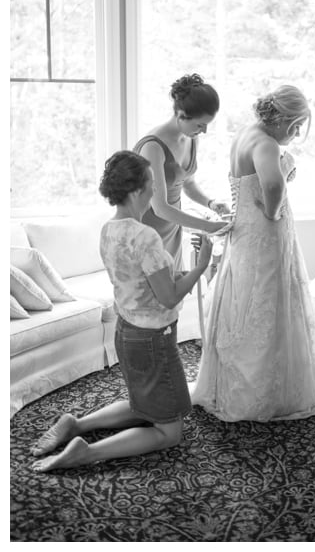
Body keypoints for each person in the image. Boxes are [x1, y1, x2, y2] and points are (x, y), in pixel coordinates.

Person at [30, 151, 212, 471]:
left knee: (144, 405)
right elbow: (167, 298)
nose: (155, 191)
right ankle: (87, 452)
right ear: (136, 190)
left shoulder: (108, 230)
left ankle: (76, 423)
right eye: (151, 184)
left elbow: (144, 284)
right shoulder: (145, 236)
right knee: (169, 432)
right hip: (153, 338)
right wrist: (201, 267)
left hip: (126, 332)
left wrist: (183, 272)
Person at [190, 85, 315, 421]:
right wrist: (273, 211)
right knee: (268, 301)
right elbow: (272, 185)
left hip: (243, 231)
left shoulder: (246, 134)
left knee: (243, 300)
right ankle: (264, 393)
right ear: (285, 119)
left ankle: (234, 381)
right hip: (264, 232)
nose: (297, 132)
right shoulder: (266, 142)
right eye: (297, 125)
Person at [133, 74, 230, 265]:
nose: (204, 131)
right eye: (200, 124)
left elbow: (188, 184)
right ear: (180, 115)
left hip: (172, 226)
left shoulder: (191, 137)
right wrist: (208, 227)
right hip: (148, 230)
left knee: (174, 289)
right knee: (153, 291)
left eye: (207, 125)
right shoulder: (152, 147)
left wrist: (210, 203)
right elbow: (160, 208)